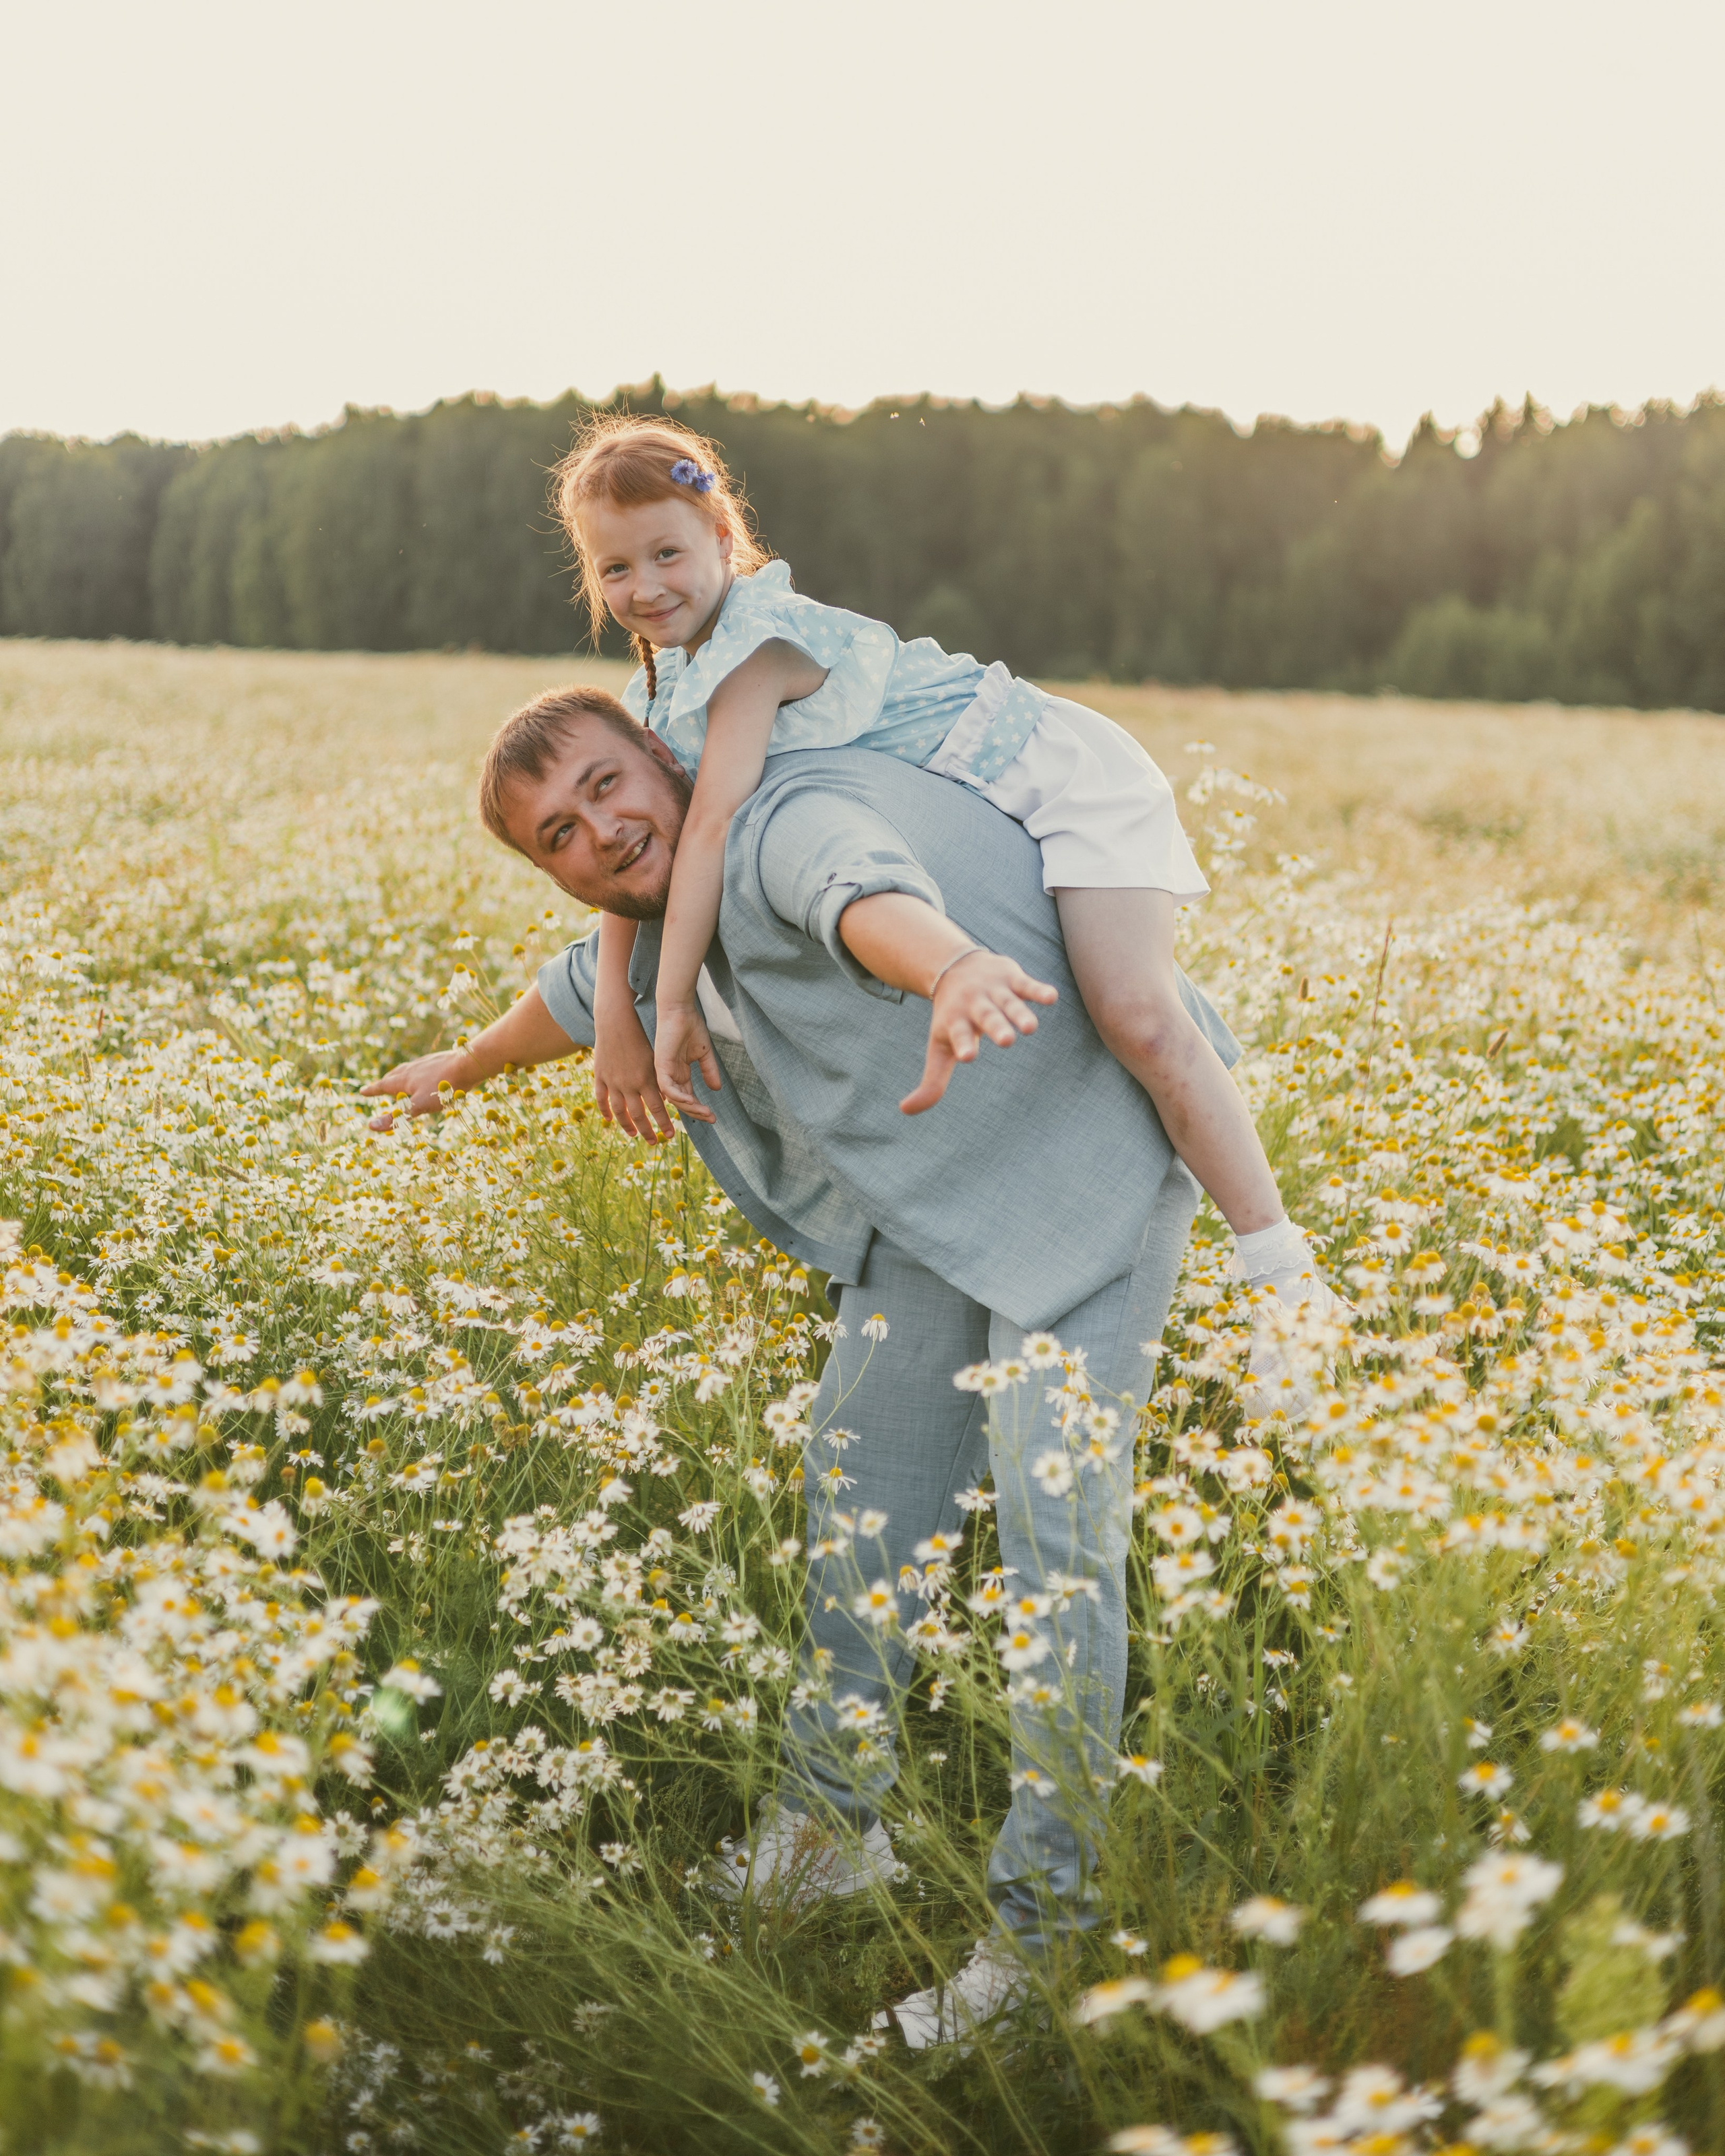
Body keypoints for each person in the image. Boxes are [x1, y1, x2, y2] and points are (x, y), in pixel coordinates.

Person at [360, 687, 1299, 2044]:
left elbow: (857, 891)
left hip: (1082, 1166)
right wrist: (462, 1063)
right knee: (860, 1497)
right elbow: (565, 997)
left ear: (665, 758)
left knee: (1055, 1542)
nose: (598, 831)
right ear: (554, 873)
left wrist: (950, 968)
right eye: (559, 832)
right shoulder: (659, 925)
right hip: (928, 1205)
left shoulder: (782, 822)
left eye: (607, 786)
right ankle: (831, 1826)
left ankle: (1043, 1938)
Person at [549, 413, 1335, 1333]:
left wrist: (676, 1000)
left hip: (1057, 778)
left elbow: (712, 824)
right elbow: (660, 843)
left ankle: (1283, 1277)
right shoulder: (664, 686)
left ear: (723, 538)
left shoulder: (756, 649)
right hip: (974, 819)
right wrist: (618, 1010)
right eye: (615, 568)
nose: (645, 587)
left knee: (1137, 1017)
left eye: (667, 554)